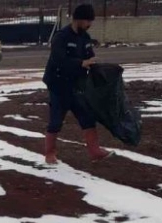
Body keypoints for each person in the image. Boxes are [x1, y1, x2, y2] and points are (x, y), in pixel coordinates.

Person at [42, 4, 112, 164]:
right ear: (79, 19)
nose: (90, 24)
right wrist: (81, 63)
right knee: (56, 120)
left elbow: (89, 56)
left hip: (77, 85)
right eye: (88, 21)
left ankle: (95, 151)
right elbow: (59, 60)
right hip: (58, 85)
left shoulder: (85, 38)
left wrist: (95, 65)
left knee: (87, 116)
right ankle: (49, 154)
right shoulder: (61, 37)